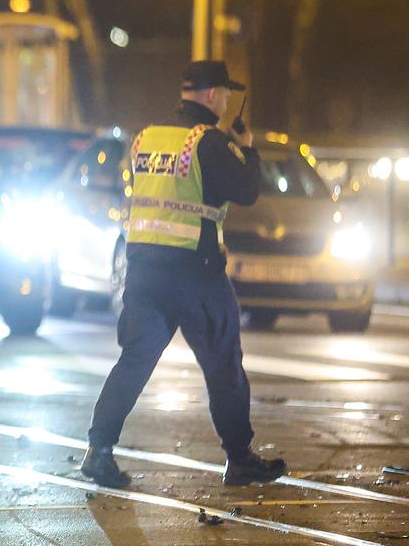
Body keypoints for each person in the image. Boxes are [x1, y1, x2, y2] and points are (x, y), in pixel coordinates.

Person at [82, 60, 286, 489]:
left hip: (144, 271)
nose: (227, 102)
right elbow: (247, 190)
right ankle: (239, 458)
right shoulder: (207, 142)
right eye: (225, 95)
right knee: (224, 365)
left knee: (133, 362)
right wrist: (247, 149)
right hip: (196, 273)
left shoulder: (145, 139)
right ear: (212, 95)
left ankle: (98, 450)